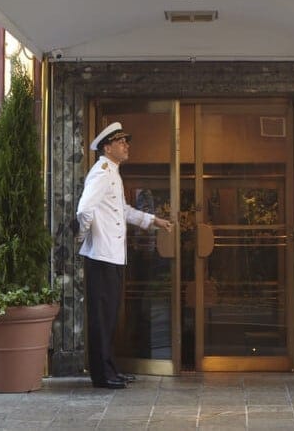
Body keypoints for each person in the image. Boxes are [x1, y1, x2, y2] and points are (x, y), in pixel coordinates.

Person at [77, 122, 173, 389]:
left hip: (111, 257)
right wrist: (82, 236)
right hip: (102, 257)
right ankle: (102, 374)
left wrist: (155, 221)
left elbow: (125, 210)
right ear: (107, 147)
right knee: (102, 318)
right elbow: (84, 209)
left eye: (126, 142)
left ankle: (109, 369)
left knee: (109, 318)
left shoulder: (113, 173)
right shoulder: (102, 172)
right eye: (121, 142)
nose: (126, 146)